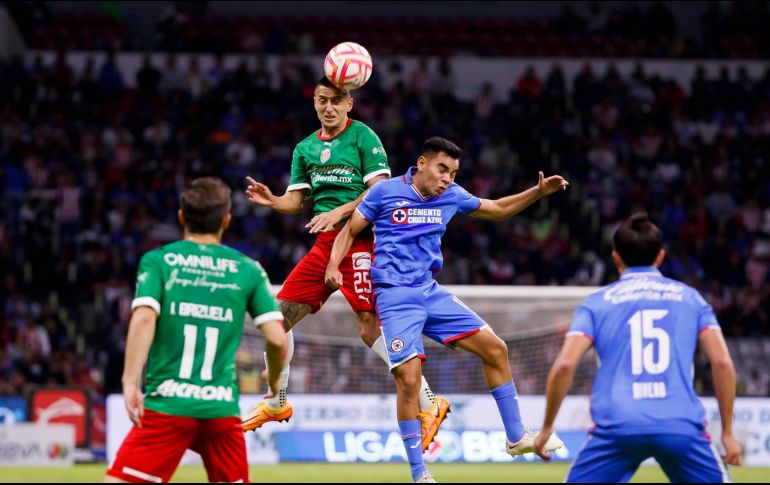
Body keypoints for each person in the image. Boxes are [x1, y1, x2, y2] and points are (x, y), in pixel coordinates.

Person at [325, 137, 568, 483]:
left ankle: (517, 438)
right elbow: (349, 231)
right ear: (422, 163)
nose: (447, 179)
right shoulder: (384, 192)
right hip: (395, 295)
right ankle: (419, 473)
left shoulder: (452, 196)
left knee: (496, 348)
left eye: (453, 173)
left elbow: (497, 209)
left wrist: (537, 193)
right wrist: (333, 265)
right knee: (408, 379)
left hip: (429, 291)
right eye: (442, 169)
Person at [243, 76, 448, 451]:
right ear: (315, 102)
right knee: (275, 320)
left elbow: (381, 191)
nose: (328, 107)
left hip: (361, 237)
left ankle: (429, 401)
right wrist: (272, 200)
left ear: (349, 103)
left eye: (336, 100)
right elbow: (295, 202)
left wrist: (337, 212)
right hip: (325, 243)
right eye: (322, 100)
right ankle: (277, 401)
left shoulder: (363, 138)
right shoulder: (305, 148)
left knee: (369, 328)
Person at [533, 212, 743, 482]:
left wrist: (547, 426)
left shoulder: (597, 303)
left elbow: (564, 365)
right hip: (679, 423)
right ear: (661, 256)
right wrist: (727, 432)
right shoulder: (691, 298)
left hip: (617, 425)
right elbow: (723, 363)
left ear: (615, 257)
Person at [105, 177, 287, 483]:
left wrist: (128, 382)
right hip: (221, 410)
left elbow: (144, 318)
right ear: (226, 221)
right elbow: (278, 340)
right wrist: (275, 380)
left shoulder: (160, 261)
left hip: (169, 405)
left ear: (181, 217)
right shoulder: (248, 269)